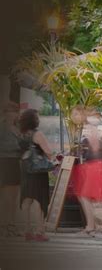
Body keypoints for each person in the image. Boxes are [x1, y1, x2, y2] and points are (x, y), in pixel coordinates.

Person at [17, 109, 53, 241]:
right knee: (39, 200)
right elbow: (48, 152)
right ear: (34, 120)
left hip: (26, 170)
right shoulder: (38, 134)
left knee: (27, 199)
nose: (39, 119)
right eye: (37, 117)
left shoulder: (21, 134)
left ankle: (27, 230)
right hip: (38, 171)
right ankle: (39, 231)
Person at [0, 102, 21, 237]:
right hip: (4, 161)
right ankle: (4, 226)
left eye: (15, 112)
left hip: (14, 163)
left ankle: (11, 225)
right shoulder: (2, 127)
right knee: (5, 197)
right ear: (5, 113)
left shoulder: (17, 127)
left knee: (13, 197)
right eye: (10, 111)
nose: (13, 114)